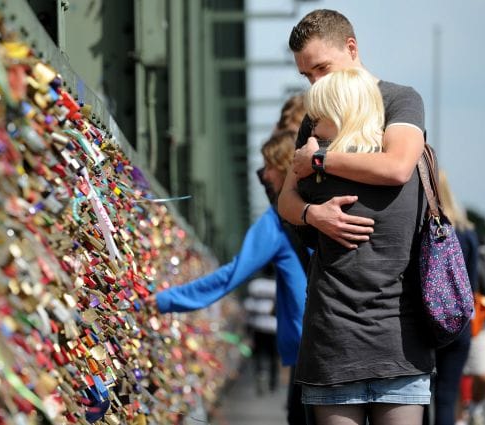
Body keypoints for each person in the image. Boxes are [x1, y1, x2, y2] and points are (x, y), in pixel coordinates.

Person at [291, 66, 434, 425]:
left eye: (318, 118)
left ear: (337, 116)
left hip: (333, 347)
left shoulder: (316, 184)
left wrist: (309, 161)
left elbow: (287, 211)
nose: (312, 127)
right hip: (400, 345)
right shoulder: (408, 176)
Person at [149, 129, 309, 424]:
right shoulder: (324, 208)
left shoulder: (278, 219)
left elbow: (231, 275)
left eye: (269, 166)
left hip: (307, 352)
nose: (264, 176)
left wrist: (164, 300)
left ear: (285, 166)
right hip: (343, 343)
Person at [277, 9, 426, 251]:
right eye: (307, 76)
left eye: (323, 68)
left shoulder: (399, 100)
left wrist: (318, 160)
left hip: (395, 281)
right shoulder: (314, 117)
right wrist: (312, 214)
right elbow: (285, 200)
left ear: (351, 48)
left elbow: (398, 167)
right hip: (328, 281)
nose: (316, 83)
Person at [424, 170, 479, 425]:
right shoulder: (467, 232)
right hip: (459, 325)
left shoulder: (422, 229)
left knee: (419, 398)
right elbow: (473, 284)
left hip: (426, 323)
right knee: (446, 397)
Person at [457, 233, 485, 425]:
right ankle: (460, 416)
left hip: (481, 317)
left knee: (484, 373)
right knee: (456, 374)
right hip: (454, 317)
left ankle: (474, 407)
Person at [243, 276, 280, 395]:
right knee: (273, 356)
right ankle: (273, 382)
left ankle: (261, 373)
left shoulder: (255, 285)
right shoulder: (277, 285)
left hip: (258, 326)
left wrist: (247, 329)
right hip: (274, 327)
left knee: (259, 354)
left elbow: (249, 307)